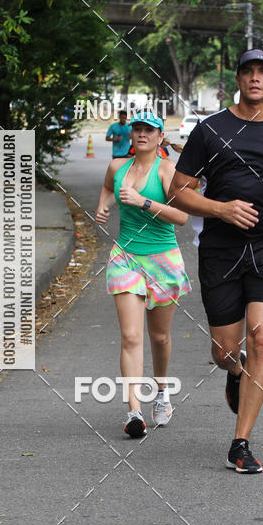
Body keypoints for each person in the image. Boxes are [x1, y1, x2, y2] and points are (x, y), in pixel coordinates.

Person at [169, 49, 263, 473]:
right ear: (237, 79)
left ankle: (241, 441)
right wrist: (219, 209)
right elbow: (179, 191)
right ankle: (234, 373)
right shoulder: (211, 130)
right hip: (221, 251)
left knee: (262, 338)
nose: (255, 78)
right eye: (248, 71)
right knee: (224, 351)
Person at [96, 111, 191, 437]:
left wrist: (143, 201)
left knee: (159, 336)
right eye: (137, 129)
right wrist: (103, 205)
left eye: (149, 130)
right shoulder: (117, 166)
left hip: (163, 259)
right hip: (125, 257)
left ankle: (162, 391)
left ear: (160, 136)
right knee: (131, 336)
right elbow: (108, 187)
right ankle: (134, 412)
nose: (141, 134)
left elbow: (181, 217)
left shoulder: (167, 170)